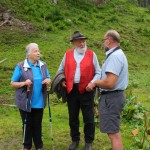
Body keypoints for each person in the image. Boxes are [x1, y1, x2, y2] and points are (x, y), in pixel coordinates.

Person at [58, 31, 101, 150]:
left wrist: (93, 83)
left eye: (83, 41)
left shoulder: (92, 54)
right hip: (71, 90)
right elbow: (61, 70)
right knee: (73, 117)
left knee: (89, 117)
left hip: (87, 90)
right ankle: (75, 140)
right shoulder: (67, 54)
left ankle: (89, 142)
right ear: (73, 43)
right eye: (79, 41)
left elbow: (98, 72)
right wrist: (62, 81)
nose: (82, 43)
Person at [86, 30, 128, 150]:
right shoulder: (118, 54)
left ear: (108, 41)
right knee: (113, 132)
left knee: (113, 133)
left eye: (104, 40)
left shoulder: (115, 57)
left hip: (112, 98)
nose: (103, 43)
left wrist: (95, 83)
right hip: (114, 97)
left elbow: (110, 83)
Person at [11, 43, 51, 150]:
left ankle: (39, 146)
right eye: (35, 51)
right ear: (28, 54)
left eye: (38, 50)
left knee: (37, 124)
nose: (38, 53)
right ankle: (27, 146)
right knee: (27, 124)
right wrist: (24, 83)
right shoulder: (21, 66)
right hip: (25, 101)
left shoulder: (43, 65)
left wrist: (48, 80)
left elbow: (48, 77)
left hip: (39, 101)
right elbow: (13, 83)